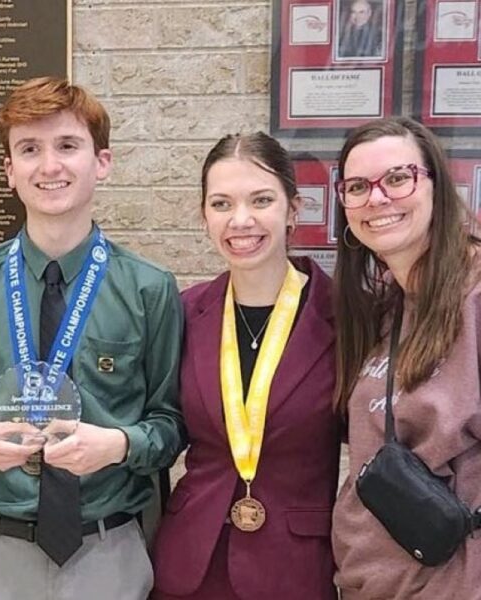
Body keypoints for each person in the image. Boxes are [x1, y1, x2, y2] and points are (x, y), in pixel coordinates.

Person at [0, 76, 184, 599]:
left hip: (108, 548)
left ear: (102, 162)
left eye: (68, 146)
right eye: (29, 149)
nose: (49, 166)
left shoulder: (149, 288)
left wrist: (119, 444)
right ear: (10, 171)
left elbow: (171, 424)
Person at [151, 133, 341, 599]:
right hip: (191, 564)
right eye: (221, 203)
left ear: (293, 209)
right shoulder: (184, 312)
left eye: (261, 200)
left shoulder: (345, 317)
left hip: (295, 568)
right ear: (203, 217)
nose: (241, 220)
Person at [332, 117, 481, 598]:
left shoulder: (474, 295)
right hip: (370, 582)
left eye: (398, 178)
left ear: (435, 183)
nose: (377, 199)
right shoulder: (383, 307)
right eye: (358, 186)